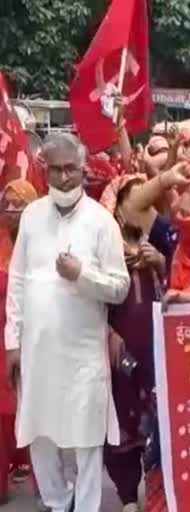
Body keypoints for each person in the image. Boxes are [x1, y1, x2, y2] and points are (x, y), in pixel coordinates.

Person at [4, 133, 130, 512]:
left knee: (87, 437)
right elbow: (19, 280)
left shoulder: (102, 222)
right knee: (39, 432)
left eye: (70, 169)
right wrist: (12, 340)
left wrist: (82, 275)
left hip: (82, 354)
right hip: (37, 350)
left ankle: (87, 506)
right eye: (55, 169)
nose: (62, 178)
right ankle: (59, 502)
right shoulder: (31, 216)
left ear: (84, 170)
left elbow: (120, 287)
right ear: (45, 169)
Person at [105, 178, 166, 512]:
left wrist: (161, 263)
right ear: (118, 206)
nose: (142, 207)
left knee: (158, 421)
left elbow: (179, 287)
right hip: (120, 348)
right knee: (122, 420)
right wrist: (107, 333)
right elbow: (89, 298)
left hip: (156, 349)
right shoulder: (103, 244)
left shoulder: (159, 241)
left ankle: (157, 491)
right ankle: (128, 496)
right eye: (134, 199)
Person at [0, 180, 37, 503]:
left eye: (19, 204)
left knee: (33, 408)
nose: (12, 210)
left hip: (35, 334)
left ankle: (47, 485)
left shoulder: (42, 243)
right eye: (7, 204)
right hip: (3, 338)